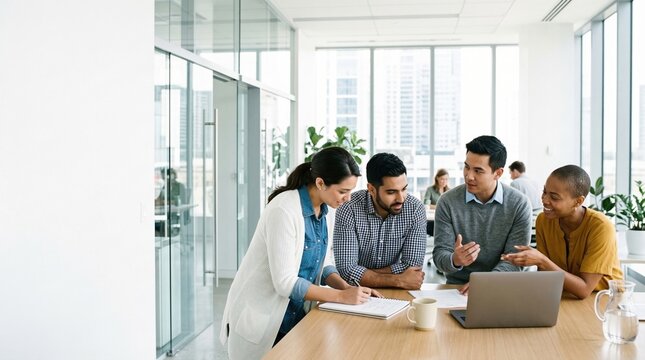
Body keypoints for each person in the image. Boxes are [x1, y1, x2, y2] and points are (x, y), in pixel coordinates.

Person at [219, 147, 382, 360]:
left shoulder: (326, 210)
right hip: (263, 321)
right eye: (343, 191)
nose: (347, 198)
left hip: (295, 318)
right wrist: (341, 297)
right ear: (320, 183)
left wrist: (349, 288)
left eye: (350, 191)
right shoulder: (284, 209)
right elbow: (285, 283)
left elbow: (324, 263)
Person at [501, 165, 623, 299]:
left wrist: (542, 261)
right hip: (563, 296)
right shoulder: (544, 220)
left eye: (554, 197)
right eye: (544, 192)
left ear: (578, 201)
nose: (545, 200)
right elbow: (547, 277)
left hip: (604, 299)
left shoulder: (601, 227)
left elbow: (584, 290)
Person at [432, 135, 532, 293]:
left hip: (502, 286)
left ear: (498, 173)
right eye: (467, 167)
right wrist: (455, 260)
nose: (469, 176)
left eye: (478, 170)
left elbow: (514, 260)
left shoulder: (519, 204)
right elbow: (439, 256)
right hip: (458, 289)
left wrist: (485, 283)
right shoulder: (447, 202)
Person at [333, 153, 427, 290]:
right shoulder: (349, 208)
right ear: (371, 189)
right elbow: (346, 270)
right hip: (355, 292)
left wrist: (362, 273)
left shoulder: (415, 209)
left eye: (404, 189)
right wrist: (398, 280)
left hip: (395, 293)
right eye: (391, 192)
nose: (401, 198)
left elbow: (412, 268)